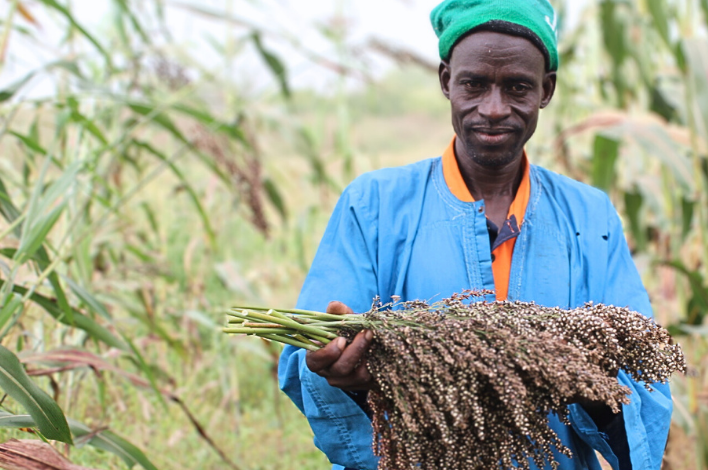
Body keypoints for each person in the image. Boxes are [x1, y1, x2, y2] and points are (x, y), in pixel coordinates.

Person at [277, 0, 673, 468]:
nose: (493, 108)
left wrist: (569, 372)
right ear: (447, 81)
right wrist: (341, 369)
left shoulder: (591, 217)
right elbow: (307, 361)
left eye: (517, 87)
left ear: (546, 90)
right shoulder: (374, 205)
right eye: (474, 84)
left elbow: (643, 383)